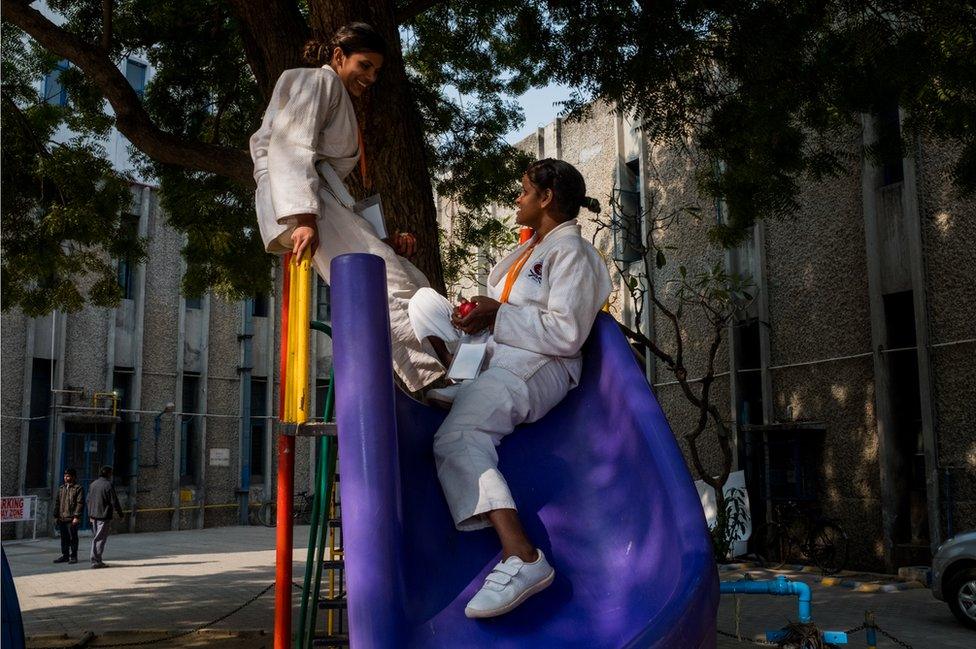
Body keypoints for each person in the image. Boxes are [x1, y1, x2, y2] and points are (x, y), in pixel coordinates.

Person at [407, 158, 612, 618]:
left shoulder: (573, 254)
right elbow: (505, 313)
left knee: (457, 438)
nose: (516, 199)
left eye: (523, 191)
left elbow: (565, 334)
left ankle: (522, 556)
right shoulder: (529, 250)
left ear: (545, 198)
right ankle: (461, 382)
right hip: (496, 353)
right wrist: (477, 316)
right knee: (423, 303)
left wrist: (497, 315)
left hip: (540, 365)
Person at [249, 22, 442, 393]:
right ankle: (428, 379)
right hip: (307, 203)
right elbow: (291, 146)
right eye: (364, 65)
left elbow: (333, 180)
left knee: (412, 279)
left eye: (376, 70)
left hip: (322, 200)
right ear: (339, 57)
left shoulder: (334, 93)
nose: (370, 77)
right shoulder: (318, 82)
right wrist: (303, 217)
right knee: (384, 283)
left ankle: (441, 364)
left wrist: (383, 236)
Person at [86, 465, 124, 569]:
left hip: (94, 515)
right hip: (103, 515)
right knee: (100, 538)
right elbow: (114, 501)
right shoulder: (108, 485)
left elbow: (88, 500)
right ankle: (96, 560)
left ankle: (96, 559)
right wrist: (121, 514)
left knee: (97, 537)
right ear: (108, 474)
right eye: (110, 473)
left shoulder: (93, 484)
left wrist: (90, 514)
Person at [52, 468, 83, 564]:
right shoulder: (62, 488)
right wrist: (56, 515)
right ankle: (65, 555)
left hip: (71, 518)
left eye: (68, 476)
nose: (66, 478)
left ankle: (73, 556)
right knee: (64, 538)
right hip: (62, 517)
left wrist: (76, 516)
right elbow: (57, 502)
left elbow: (80, 503)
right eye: (65, 476)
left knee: (73, 538)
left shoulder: (78, 488)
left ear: (73, 477)